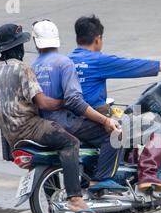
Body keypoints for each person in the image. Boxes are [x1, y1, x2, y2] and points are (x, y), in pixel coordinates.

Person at [0, 23, 97, 213]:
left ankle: (55, 212)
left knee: (48, 160)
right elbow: (44, 103)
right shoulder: (22, 69)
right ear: (16, 47)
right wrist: (66, 102)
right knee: (70, 143)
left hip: (10, 136)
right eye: (21, 44)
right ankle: (75, 198)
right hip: (31, 128)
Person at [69, 15, 161, 191]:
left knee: (126, 124)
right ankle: (147, 176)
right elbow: (133, 66)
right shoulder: (97, 60)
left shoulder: (66, 61)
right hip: (93, 121)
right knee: (156, 130)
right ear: (97, 39)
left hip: (69, 121)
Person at [30, 19, 125, 191]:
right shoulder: (64, 62)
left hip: (43, 126)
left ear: (36, 42)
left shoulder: (33, 66)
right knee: (114, 134)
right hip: (66, 124)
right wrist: (105, 121)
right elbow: (74, 100)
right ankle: (101, 180)